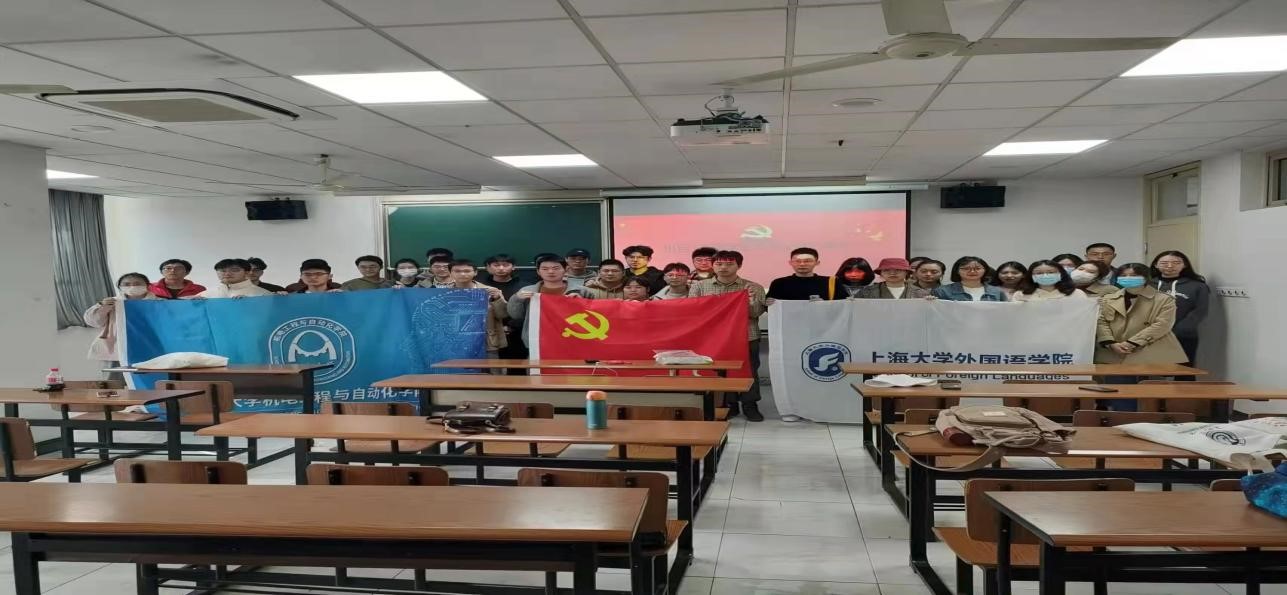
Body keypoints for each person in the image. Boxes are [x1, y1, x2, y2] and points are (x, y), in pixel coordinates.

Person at [1096, 263, 1188, 409]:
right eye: (1123, 275)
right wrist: (1110, 342)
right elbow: (1101, 321)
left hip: (1150, 349)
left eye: (1134, 275)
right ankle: (1121, 418)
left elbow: (1162, 325)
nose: (1128, 278)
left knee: (1152, 392)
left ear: (1146, 278)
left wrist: (1132, 343)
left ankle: (1150, 419)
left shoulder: (1164, 299)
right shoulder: (1109, 298)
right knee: (1118, 390)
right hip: (1114, 351)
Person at [690, 250, 767, 422]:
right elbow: (694, 312)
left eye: (729, 264)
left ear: (739, 265)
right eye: (719, 264)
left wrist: (750, 301)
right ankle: (729, 404)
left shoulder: (753, 286)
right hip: (715, 338)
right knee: (721, 372)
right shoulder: (699, 286)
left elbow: (755, 313)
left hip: (747, 336)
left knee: (750, 371)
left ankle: (750, 405)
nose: (723, 267)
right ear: (713, 265)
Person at [1150, 250, 1210, 375]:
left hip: (1183, 335)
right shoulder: (1147, 284)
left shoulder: (1197, 286)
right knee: (1148, 370)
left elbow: (1200, 310)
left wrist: (1181, 329)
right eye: (1164, 263)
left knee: (1184, 371)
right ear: (1156, 265)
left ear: (1185, 265)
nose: (1170, 266)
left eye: (1176, 263)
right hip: (1149, 335)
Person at [85, 272, 160, 365]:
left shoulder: (160, 303)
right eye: (126, 284)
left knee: (153, 373)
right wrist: (102, 306)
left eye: (137, 283)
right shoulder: (112, 302)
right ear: (120, 287)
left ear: (147, 285)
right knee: (118, 373)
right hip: (117, 349)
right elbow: (94, 322)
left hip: (151, 347)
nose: (132, 286)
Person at [508, 254, 578, 347]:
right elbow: (516, 316)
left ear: (566, 269)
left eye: (556, 268)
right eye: (545, 269)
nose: (550, 271)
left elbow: (593, 318)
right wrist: (517, 299)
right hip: (537, 341)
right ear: (538, 271)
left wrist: (580, 302)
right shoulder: (527, 291)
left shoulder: (581, 291)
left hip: (573, 339)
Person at [447, 259, 508, 359]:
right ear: (450, 273)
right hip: (455, 343)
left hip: (486, 342)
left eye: (467, 271)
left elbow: (503, 315)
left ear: (475, 272)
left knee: (491, 368)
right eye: (457, 271)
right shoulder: (443, 293)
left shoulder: (490, 291)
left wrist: (497, 299)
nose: (462, 274)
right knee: (458, 368)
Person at [932, 256, 1008, 301]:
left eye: (977, 268)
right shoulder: (942, 291)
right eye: (966, 268)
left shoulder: (997, 291)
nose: (972, 271)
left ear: (985, 270)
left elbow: (1005, 311)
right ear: (957, 271)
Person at [1013, 259, 1086, 302]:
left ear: (1061, 274)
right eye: (1039, 273)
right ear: (1031, 276)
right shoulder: (1020, 294)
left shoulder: (1077, 293)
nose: (1045, 275)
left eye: (1051, 272)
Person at [857, 258, 930, 299]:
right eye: (886, 270)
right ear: (881, 273)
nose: (892, 273)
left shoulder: (921, 293)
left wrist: (931, 302)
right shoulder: (866, 292)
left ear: (906, 272)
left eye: (898, 270)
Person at [197, 259, 273, 298]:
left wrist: (251, 304)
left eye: (234, 270)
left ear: (247, 273)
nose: (227, 274)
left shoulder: (263, 295)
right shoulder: (205, 295)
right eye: (222, 270)